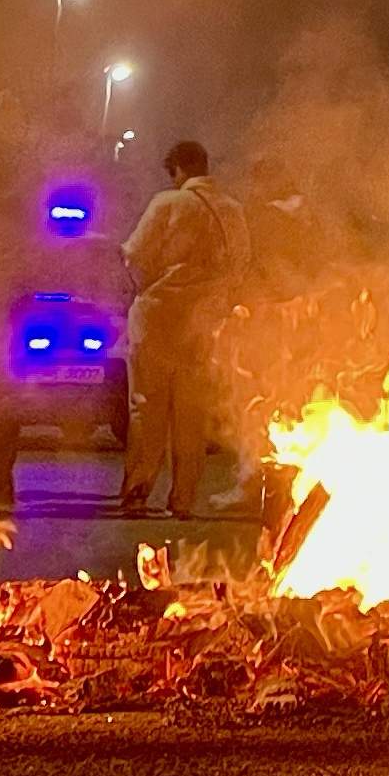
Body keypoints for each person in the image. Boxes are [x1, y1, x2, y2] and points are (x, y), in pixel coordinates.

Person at [119, 138, 251, 516]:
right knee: (192, 414)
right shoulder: (233, 210)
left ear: (177, 169)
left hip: (160, 317)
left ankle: (137, 492)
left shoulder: (167, 203)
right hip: (205, 323)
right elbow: (242, 266)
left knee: (149, 406)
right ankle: (183, 500)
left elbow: (135, 256)